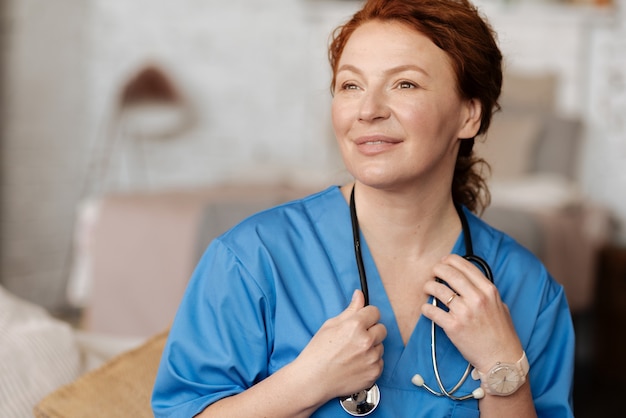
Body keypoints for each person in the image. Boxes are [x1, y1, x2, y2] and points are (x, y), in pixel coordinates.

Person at [151, 0, 574, 416]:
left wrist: (503, 369)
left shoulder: (527, 289)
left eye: (404, 84)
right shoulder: (252, 258)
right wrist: (305, 383)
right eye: (351, 85)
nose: (367, 110)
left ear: (469, 115)